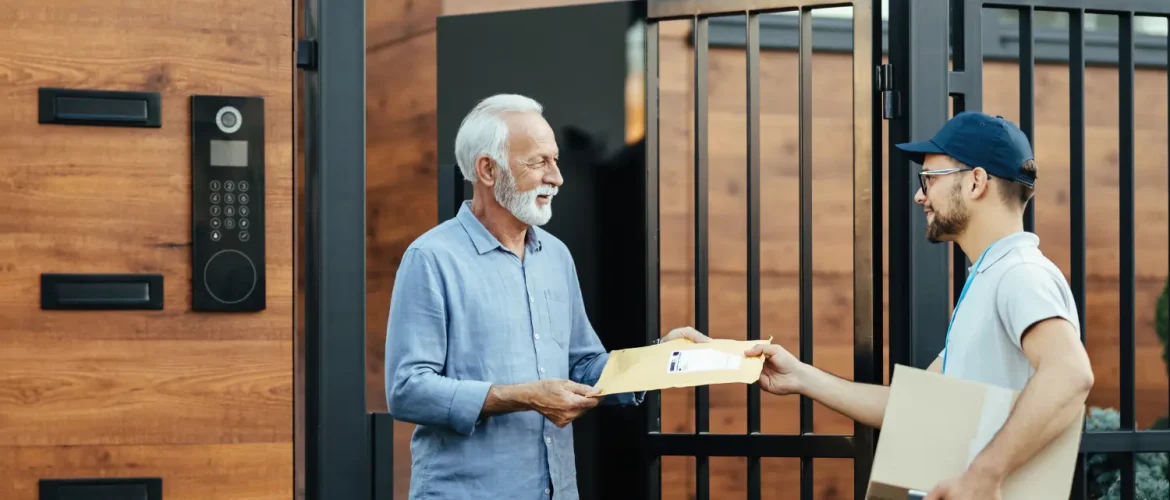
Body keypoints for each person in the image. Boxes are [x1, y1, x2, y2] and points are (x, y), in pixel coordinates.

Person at [745, 112, 1094, 500]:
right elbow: (914, 403)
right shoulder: (990, 279)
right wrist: (800, 376)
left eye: (929, 179)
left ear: (976, 182)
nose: (919, 195)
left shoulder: (1020, 274)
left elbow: (1070, 373)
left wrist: (983, 476)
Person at [384, 93, 710, 500]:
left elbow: (585, 364)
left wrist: (659, 359)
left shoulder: (556, 255)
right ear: (488, 169)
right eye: (539, 161)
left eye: (555, 161)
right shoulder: (431, 258)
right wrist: (521, 397)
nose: (556, 177)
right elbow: (407, 390)